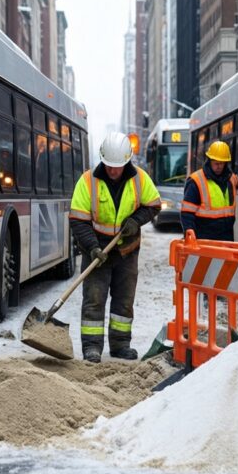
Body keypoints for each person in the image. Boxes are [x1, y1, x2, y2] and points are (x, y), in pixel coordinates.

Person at [69, 132, 161, 363]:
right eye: (109, 165)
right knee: (94, 299)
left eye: (117, 166)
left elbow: (153, 204)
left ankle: (120, 345)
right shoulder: (87, 181)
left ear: (127, 161)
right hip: (97, 251)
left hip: (126, 252)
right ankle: (92, 347)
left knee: (124, 300)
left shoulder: (140, 179)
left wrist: (136, 221)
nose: (112, 170)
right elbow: (78, 220)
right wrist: (92, 247)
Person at [180, 141, 238, 241]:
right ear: (209, 161)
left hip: (226, 236)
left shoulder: (230, 178)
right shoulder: (196, 181)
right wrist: (189, 230)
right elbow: (187, 212)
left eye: (222, 163)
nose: (219, 166)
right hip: (204, 238)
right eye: (216, 163)